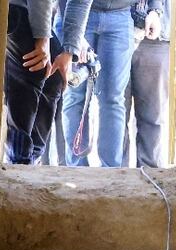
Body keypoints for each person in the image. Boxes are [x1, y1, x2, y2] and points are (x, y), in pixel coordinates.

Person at [61, 0, 163, 167]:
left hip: (120, 16)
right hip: (75, 11)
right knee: (74, 94)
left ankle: (111, 170)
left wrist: (154, 9)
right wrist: (74, 36)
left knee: (113, 98)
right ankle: (76, 168)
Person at [4, 0, 92, 164]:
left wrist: (68, 52)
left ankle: (32, 158)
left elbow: (80, 2)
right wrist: (42, 38)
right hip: (15, 7)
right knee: (34, 69)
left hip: (31, 10)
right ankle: (17, 160)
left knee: (54, 78)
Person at [123, 0, 170, 169]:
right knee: (115, 111)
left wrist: (155, 11)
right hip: (116, 29)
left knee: (153, 114)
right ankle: (116, 176)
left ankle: (150, 175)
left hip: (156, 38)